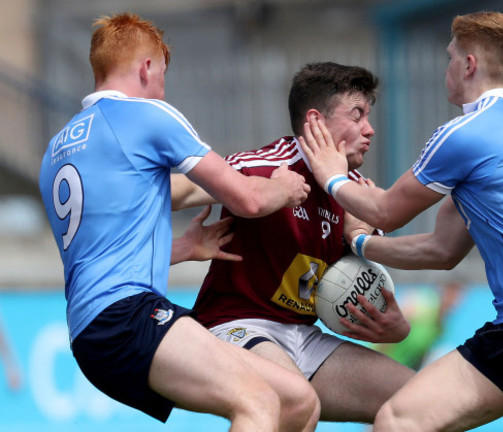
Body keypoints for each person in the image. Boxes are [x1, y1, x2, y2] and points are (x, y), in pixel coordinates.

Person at [300, 12, 503, 431]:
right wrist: (359, 245)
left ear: (468, 65)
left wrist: (331, 176)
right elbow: (441, 250)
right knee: (398, 419)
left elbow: (387, 211)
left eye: (450, 58)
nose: (445, 68)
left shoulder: (467, 133)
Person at [38, 12, 320, 432]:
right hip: (127, 315)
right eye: (164, 74)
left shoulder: (58, 150)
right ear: (147, 68)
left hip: (91, 330)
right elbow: (245, 201)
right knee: (259, 402)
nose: (163, 87)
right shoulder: (147, 116)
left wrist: (184, 249)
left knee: (298, 401)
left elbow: (105, 246)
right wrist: (284, 187)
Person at [171, 62, 415, 424]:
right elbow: (176, 191)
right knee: (294, 402)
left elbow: (391, 269)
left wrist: (398, 329)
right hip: (236, 325)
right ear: (316, 121)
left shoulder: (355, 194)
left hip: (305, 337)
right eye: (357, 115)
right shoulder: (264, 167)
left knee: (420, 405)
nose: (370, 129)